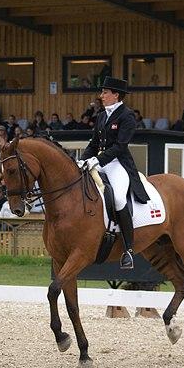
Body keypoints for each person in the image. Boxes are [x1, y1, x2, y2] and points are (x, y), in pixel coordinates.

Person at [77, 76, 148, 269]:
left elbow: (120, 146)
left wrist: (97, 160)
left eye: (105, 93)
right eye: (102, 92)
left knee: (118, 198)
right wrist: (83, 160)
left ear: (116, 95)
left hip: (118, 163)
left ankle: (128, 250)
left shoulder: (127, 116)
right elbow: (93, 144)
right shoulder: (101, 115)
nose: (101, 96)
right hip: (99, 162)